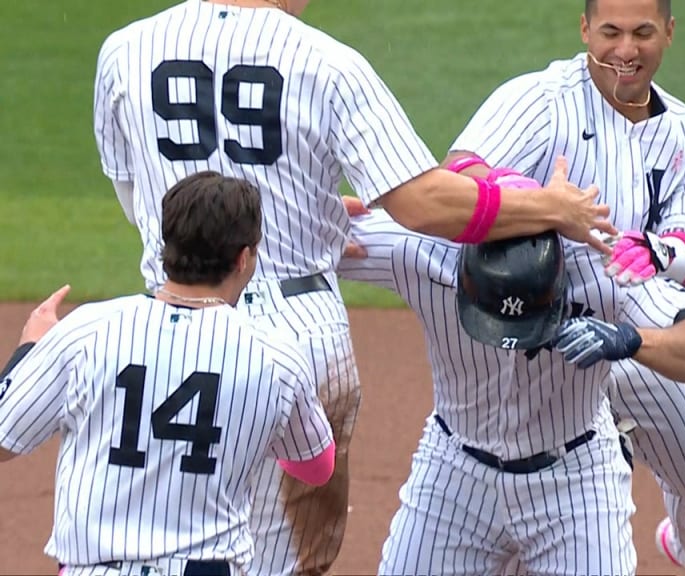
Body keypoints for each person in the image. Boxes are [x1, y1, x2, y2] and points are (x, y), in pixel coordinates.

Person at [92, 1, 616, 574]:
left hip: (155, 334)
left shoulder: (125, 50)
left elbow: (143, 205)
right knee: (285, 559)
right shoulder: (324, 63)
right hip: (295, 339)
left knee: (157, 535)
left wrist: (289, 221)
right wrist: (547, 205)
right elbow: (424, 204)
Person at [438, 0, 685, 572]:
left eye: (642, 32)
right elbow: (461, 170)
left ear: (669, 32)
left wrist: (652, 251)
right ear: (585, 29)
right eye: (610, 32)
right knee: (525, 484)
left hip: (632, 326)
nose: (625, 50)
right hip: (542, 340)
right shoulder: (541, 99)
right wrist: (536, 201)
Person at [335, 197, 685, 576]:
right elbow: (287, 236)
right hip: (451, 474)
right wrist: (313, 217)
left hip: (575, 485)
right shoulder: (423, 250)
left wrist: (633, 340)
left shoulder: (596, 266)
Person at [0, 171, 335, 576]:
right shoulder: (278, 357)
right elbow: (316, 467)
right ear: (243, 258)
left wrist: (30, 350)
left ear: (167, 246)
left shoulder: (86, 330)